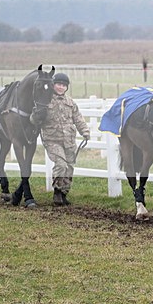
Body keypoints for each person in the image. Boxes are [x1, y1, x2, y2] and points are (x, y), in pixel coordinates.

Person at [41, 72, 91, 206]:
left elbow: (78, 119)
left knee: (69, 167)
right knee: (61, 165)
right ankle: (57, 192)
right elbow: (36, 118)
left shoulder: (70, 103)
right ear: (53, 85)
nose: (61, 87)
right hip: (52, 139)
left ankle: (64, 193)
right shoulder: (45, 101)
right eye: (58, 84)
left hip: (69, 140)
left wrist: (85, 132)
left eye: (63, 85)